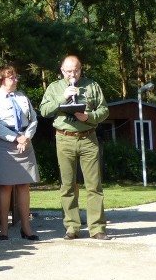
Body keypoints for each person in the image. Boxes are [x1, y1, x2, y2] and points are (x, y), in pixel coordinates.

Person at [39, 55, 110, 240]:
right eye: (69, 71)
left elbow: (104, 110)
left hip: (88, 138)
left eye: (76, 70)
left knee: (94, 185)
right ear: (62, 70)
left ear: (81, 69)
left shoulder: (92, 85)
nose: (73, 74)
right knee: (68, 185)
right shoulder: (54, 87)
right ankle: (72, 227)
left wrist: (89, 117)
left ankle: (97, 228)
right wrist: (62, 98)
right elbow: (44, 111)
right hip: (64, 139)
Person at [0, 65, 40, 241]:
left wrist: (27, 136)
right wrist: (15, 138)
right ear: (1, 80)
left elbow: (33, 119)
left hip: (25, 141)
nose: (15, 80)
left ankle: (26, 227)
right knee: (5, 186)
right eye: (11, 77)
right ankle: (3, 229)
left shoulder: (22, 97)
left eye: (16, 77)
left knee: (24, 185)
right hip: (4, 144)